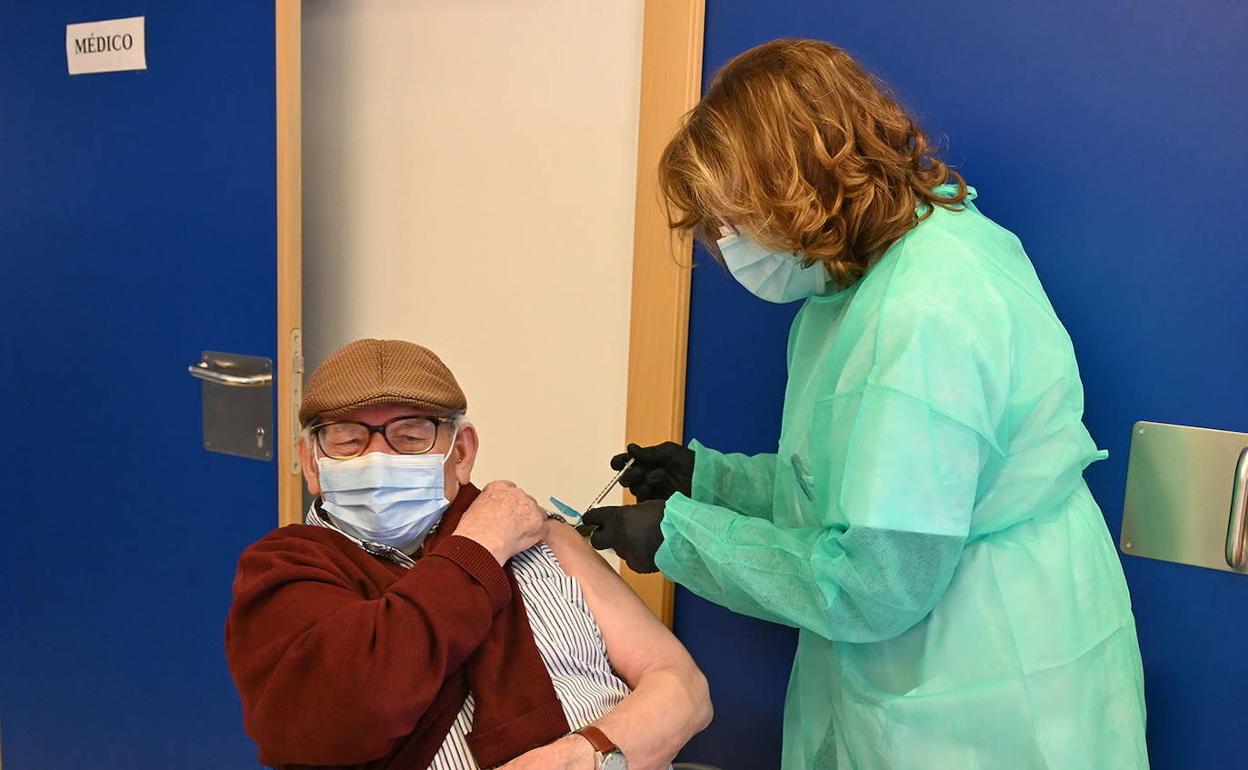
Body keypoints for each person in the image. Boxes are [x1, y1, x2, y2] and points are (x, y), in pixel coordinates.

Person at [583, 39, 1149, 769]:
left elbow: (874, 582)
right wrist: (707, 479)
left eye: (729, 217)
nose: (720, 244)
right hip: (924, 646)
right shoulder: (856, 285)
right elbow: (846, 485)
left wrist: (679, 537)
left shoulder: (927, 308)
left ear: (795, 182)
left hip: (985, 681)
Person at [226, 338, 711, 770]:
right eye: (348, 440)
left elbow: (682, 687)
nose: (379, 458)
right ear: (312, 462)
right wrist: (478, 547)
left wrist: (582, 756)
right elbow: (351, 709)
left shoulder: (538, 534)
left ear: (461, 452)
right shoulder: (284, 571)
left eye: (411, 435)